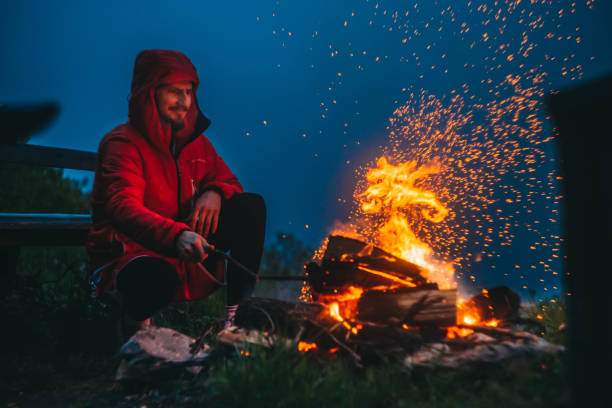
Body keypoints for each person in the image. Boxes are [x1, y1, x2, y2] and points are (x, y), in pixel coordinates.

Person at [86, 49, 266, 340]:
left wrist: (214, 192)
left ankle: (236, 323)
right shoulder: (123, 144)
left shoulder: (196, 145)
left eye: (189, 91)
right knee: (154, 277)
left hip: (185, 252)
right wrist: (175, 236)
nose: (185, 102)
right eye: (174, 91)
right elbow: (122, 207)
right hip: (131, 255)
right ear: (149, 93)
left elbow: (230, 181)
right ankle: (135, 332)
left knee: (250, 207)